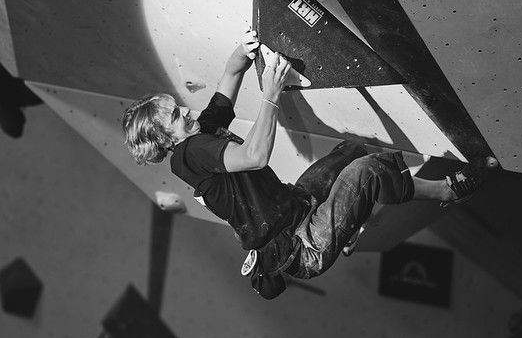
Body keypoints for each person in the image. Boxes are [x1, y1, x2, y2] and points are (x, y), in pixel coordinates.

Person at [122, 31, 494, 299]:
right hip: (302, 246)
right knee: (367, 171)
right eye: (175, 116)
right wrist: (271, 95)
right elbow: (254, 156)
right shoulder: (189, 155)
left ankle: (351, 227)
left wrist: (240, 54)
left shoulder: (195, 132)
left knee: (351, 150)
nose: (185, 110)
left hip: (296, 204)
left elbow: (226, 88)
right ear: (165, 139)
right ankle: (449, 190)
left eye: (177, 106)